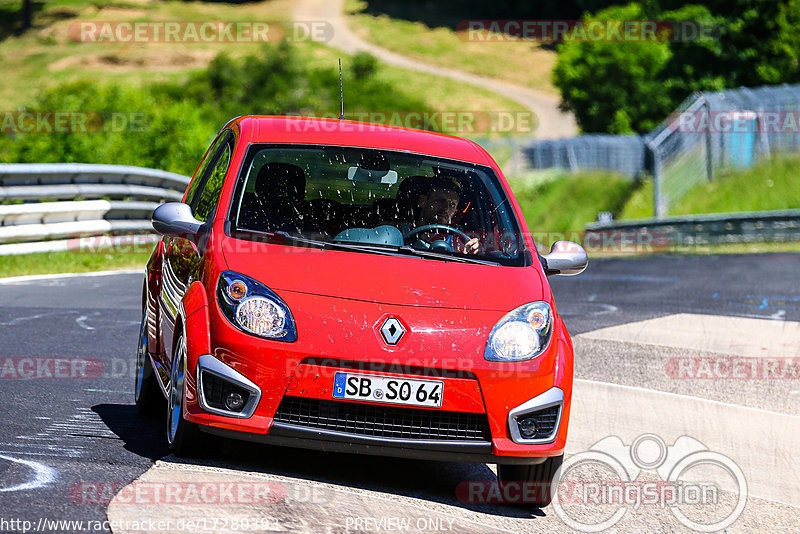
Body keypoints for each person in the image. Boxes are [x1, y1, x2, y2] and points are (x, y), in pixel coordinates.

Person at [401, 175, 480, 254]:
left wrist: (471, 251)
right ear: (423, 201)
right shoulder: (399, 232)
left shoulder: (459, 244)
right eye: (441, 201)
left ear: (454, 212)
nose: (446, 208)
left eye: (452, 205)